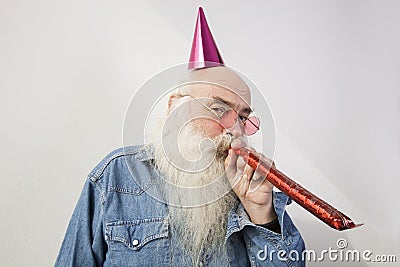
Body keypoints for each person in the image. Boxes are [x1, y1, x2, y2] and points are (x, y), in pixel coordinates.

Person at [55, 7, 305, 267]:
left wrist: (262, 215)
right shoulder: (116, 176)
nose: (234, 131)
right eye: (219, 109)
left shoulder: (249, 188)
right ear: (176, 106)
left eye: (243, 118)